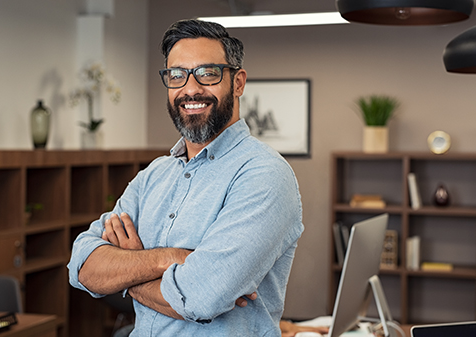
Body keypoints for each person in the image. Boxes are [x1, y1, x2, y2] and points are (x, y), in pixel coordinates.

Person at [68, 19, 304, 336]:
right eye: (177, 75)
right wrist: (170, 259)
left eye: (208, 73)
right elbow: (82, 266)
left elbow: (200, 298)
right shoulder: (153, 176)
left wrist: (126, 272)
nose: (190, 89)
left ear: (238, 83)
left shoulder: (264, 175)